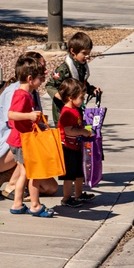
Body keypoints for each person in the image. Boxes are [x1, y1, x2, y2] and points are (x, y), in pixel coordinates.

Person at [0, 52, 59, 199]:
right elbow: (12, 119)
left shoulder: (30, 91)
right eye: (42, 67)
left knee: (51, 188)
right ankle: (13, 187)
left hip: (15, 146)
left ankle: (1, 179)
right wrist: (31, 119)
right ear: (30, 74)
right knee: (32, 151)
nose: (46, 71)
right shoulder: (17, 92)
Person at [6, 56, 53, 217]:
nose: (42, 82)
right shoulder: (22, 95)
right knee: (34, 173)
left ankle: (18, 204)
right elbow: (11, 114)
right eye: (40, 79)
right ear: (30, 79)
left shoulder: (24, 94)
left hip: (19, 139)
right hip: (22, 141)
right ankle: (35, 205)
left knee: (24, 173)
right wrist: (29, 116)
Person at [46, 32, 101, 125]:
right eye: (84, 53)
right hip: (62, 111)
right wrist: (61, 97)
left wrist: (92, 90)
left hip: (76, 108)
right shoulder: (63, 69)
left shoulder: (82, 67)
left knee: (76, 131)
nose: (87, 56)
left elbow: (82, 84)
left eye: (88, 53)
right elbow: (50, 86)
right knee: (64, 134)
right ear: (73, 51)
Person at [56, 79, 94, 209]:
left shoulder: (75, 109)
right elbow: (68, 130)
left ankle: (78, 195)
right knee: (69, 175)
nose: (83, 100)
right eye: (81, 97)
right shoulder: (67, 112)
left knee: (79, 173)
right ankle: (66, 198)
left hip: (75, 147)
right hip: (67, 148)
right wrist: (83, 132)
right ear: (71, 97)